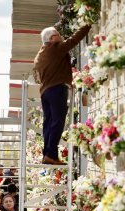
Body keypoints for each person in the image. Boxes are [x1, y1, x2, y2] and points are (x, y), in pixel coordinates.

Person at [34, 24, 91, 165]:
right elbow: (73, 40)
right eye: (58, 35)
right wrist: (87, 26)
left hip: (45, 92)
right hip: (56, 90)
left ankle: (47, 154)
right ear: (52, 38)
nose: (61, 37)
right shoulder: (55, 48)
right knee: (58, 122)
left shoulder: (40, 54)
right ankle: (51, 155)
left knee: (48, 123)